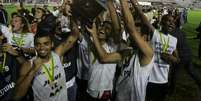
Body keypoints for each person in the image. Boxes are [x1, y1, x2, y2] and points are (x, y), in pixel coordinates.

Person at [87, 0, 154, 101]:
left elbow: (129, 28)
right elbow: (105, 57)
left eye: (137, 33)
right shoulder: (129, 52)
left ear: (145, 37)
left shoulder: (148, 54)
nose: (132, 36)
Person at [13, 17, 80, 101]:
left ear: (52, 44)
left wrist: (71, 15)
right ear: (34, 46)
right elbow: (16, 96)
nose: (42, 47)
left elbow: (74, 35)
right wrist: (33, 70)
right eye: (38, 44)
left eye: (46, 43)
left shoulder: (57, 54)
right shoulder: (29, 65)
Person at [0, 31, 26, 100]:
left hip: (19, 95)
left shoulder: (13, 49)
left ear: (1, 37)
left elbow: (27, 66)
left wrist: (15, 54)